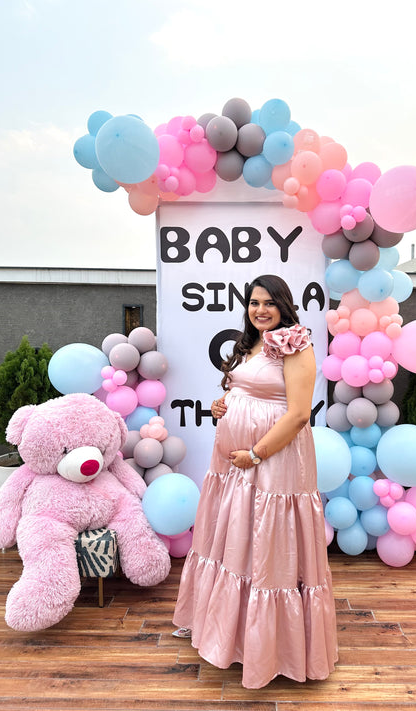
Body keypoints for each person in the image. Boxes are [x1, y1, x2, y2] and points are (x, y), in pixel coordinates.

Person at [172, 274, 338, 689]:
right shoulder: (248, 345)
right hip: (233, 465)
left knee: (268, 545)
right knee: (236, 540)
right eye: (253, 302)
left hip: (273, 460)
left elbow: (299, 414)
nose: (260, 310)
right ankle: (230, 634)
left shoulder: (297, 345)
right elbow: (245, 389)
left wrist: (257, 453)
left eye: (269, 303)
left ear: (284, 305)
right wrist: (223, 403)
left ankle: (272, 648)